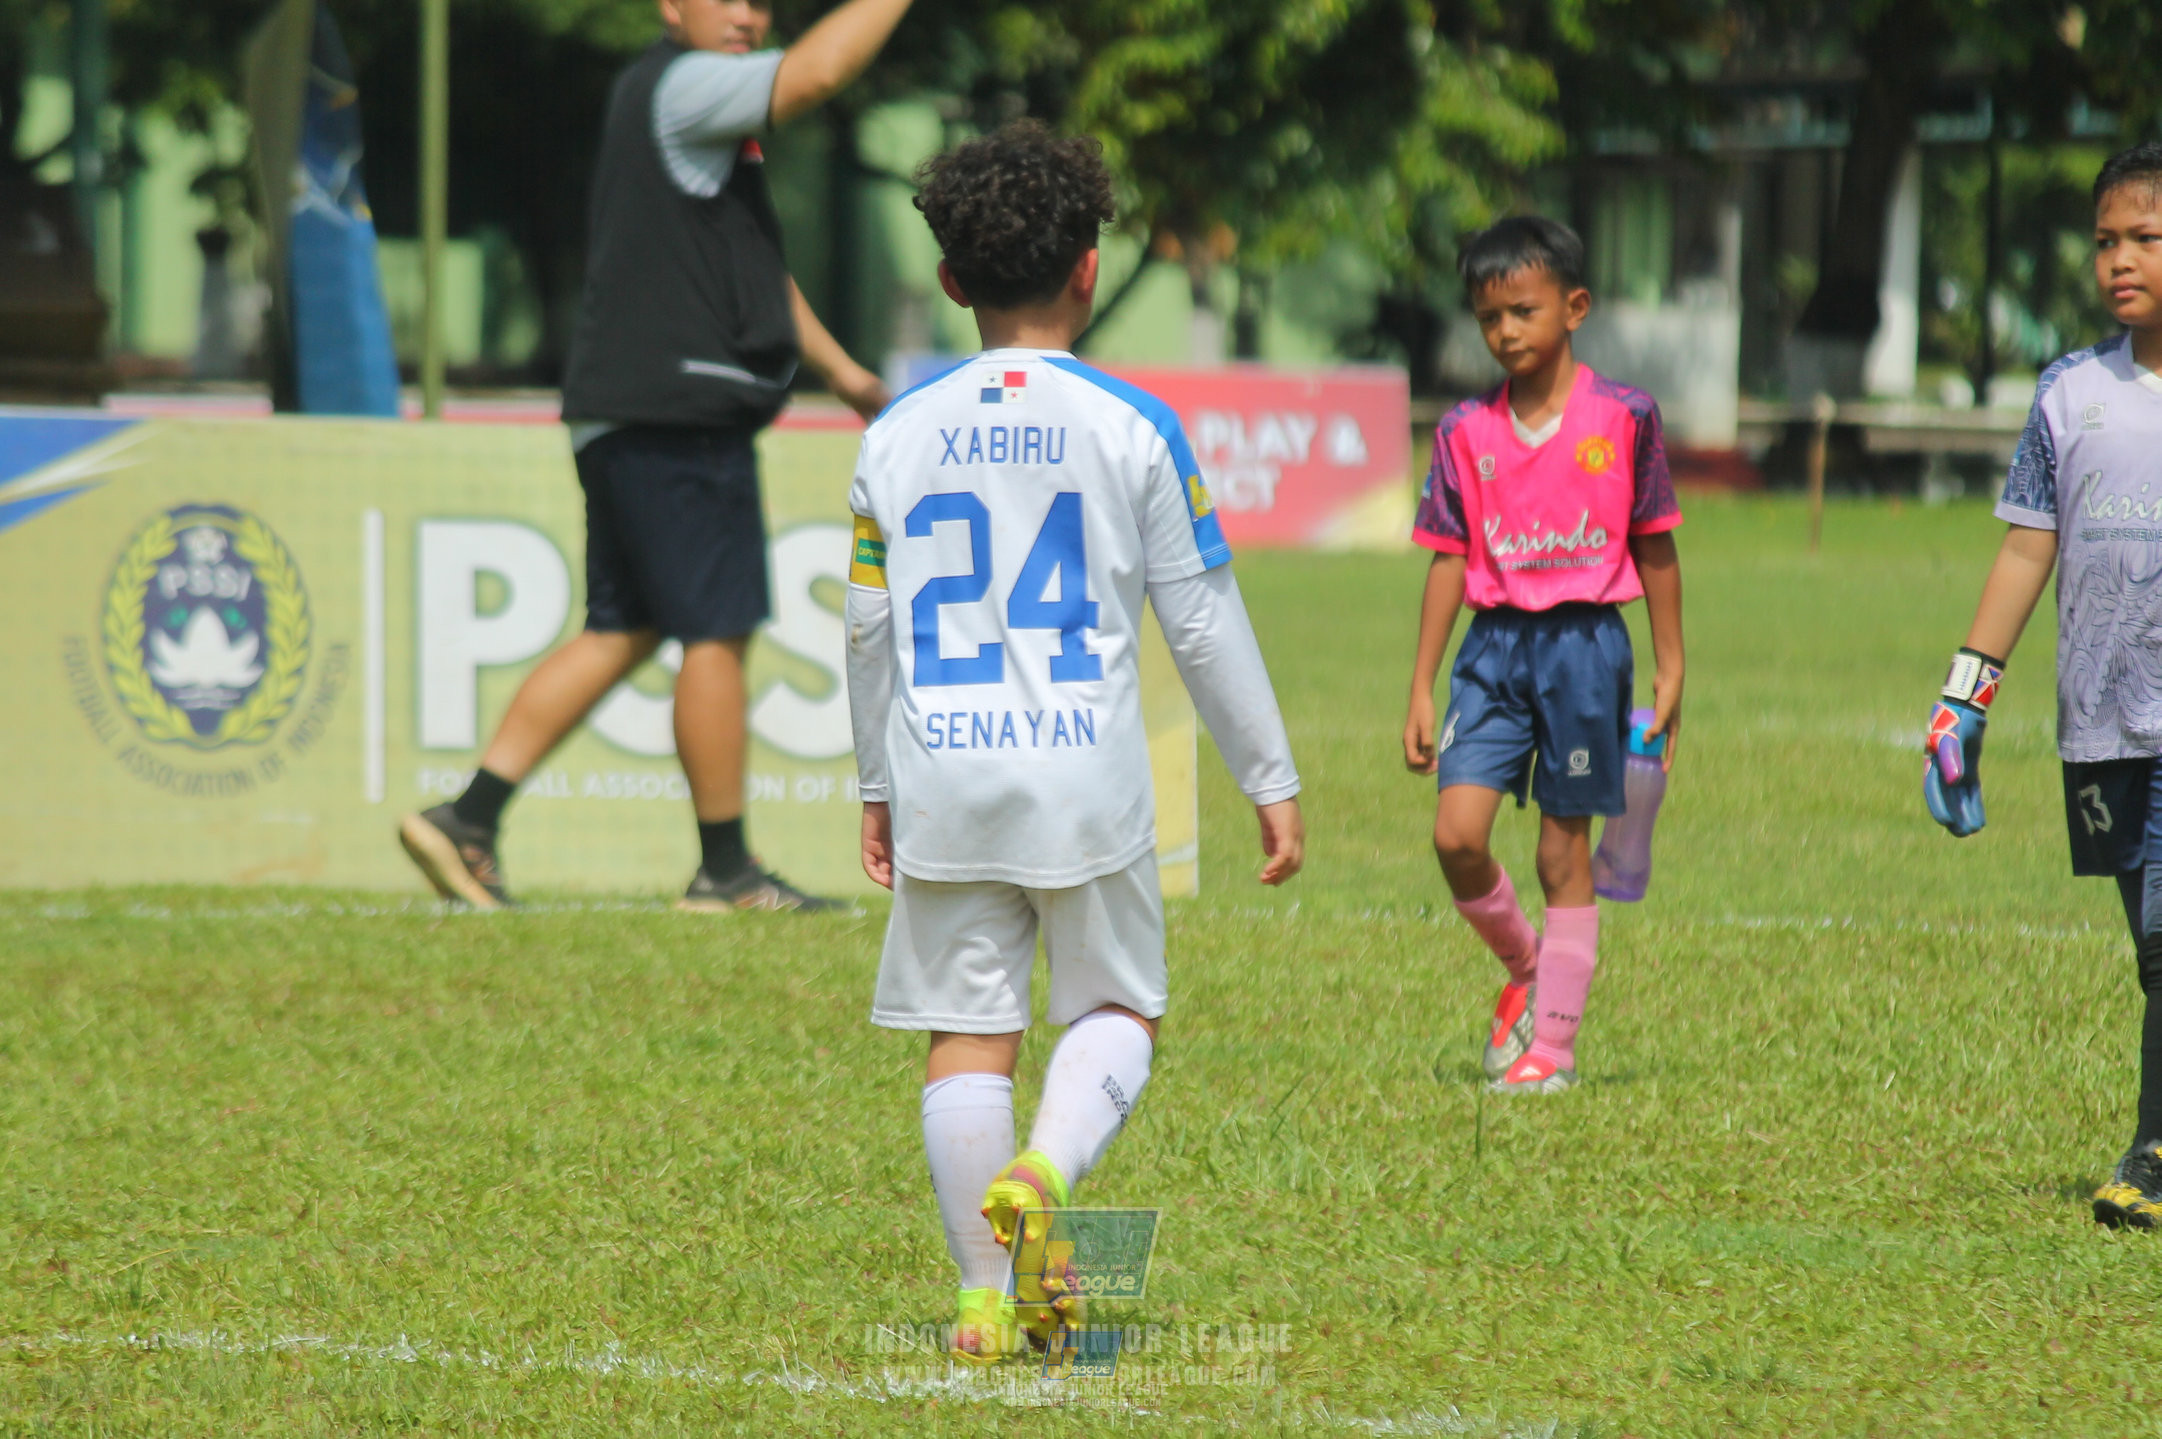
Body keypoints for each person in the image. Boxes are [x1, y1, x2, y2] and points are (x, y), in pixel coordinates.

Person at [843, 121, 1305, 1362]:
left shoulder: (893, 434)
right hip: (1084, 782)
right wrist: (1268, 776)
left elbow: (868, 627)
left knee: (964, 1037)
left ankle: (987, 1300)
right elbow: (1200, 621)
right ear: (1090, 269)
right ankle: (1045, 1171)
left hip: (944, 772)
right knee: (1116, 1006)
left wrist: (874, 783)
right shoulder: (1131, 422)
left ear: (949, 281)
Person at [398, 0, 909, 912]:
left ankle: (465, 821)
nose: (751, 15)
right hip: (677, 410)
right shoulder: (689, 86)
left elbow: (752, 269)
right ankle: (725, 873)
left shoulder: (671, 100)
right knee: (715, 628)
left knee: (622, 628)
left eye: (763, 2)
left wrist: (845, 376)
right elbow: (820, 73)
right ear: (671, 7)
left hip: (625, 407)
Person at [1924, 141, 2162, 1230]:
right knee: (2150, 949)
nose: (2119, 259)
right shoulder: (2068, 392)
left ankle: (2148, 1151)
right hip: (2103, 721)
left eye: (2145, 238)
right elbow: (2026, 549)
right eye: (2105, 239)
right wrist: (1960, 698)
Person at [1401, 216, 1685, 1096]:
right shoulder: (1463, 431)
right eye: (1489, 319)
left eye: (1522, 311)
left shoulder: (1625, 418)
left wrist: (1672, 664)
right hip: (1491, 651)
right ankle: (1525, 964)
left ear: (1574, 307)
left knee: (1564, 855)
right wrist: (1420, 682)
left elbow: (1655, 542)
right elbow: (1449, 555)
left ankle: (1550, 1052)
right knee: (1457, 837)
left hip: (1586, 649)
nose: (1506, 333)